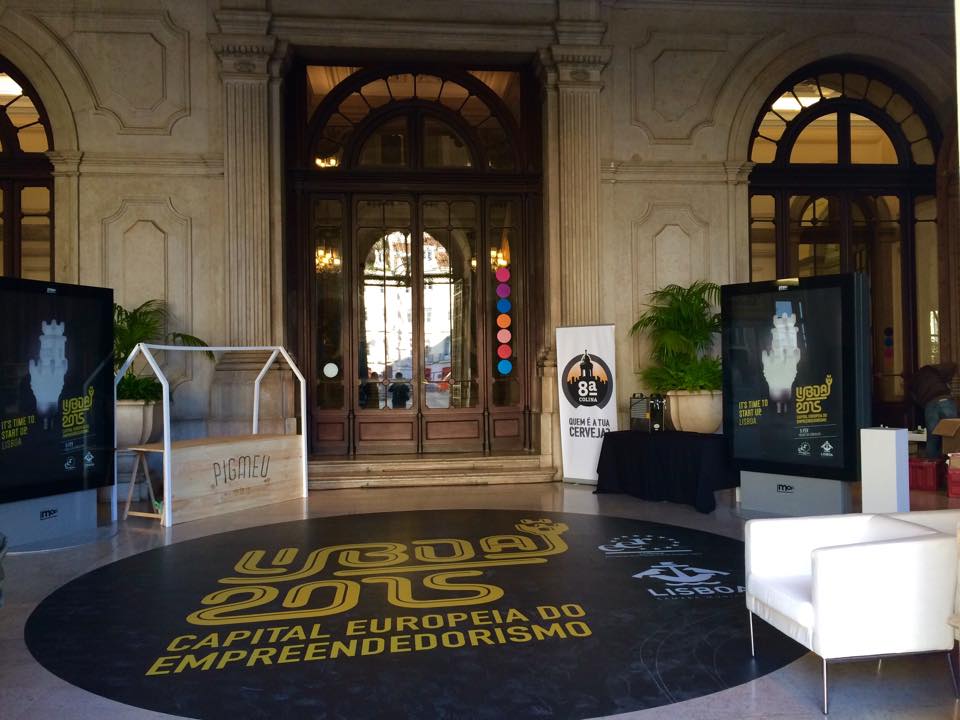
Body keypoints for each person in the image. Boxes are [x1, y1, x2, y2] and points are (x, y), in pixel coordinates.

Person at [909, 362, 957, 458]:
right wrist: (947, 382)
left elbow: (915, 399)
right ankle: (954, 462)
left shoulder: (912, 382)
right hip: (945, 400)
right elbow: (953, 365)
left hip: (930, 405)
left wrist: (924, 405)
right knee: (953, 434)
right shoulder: (931, 369)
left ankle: (933, 463)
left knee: (932, 438)